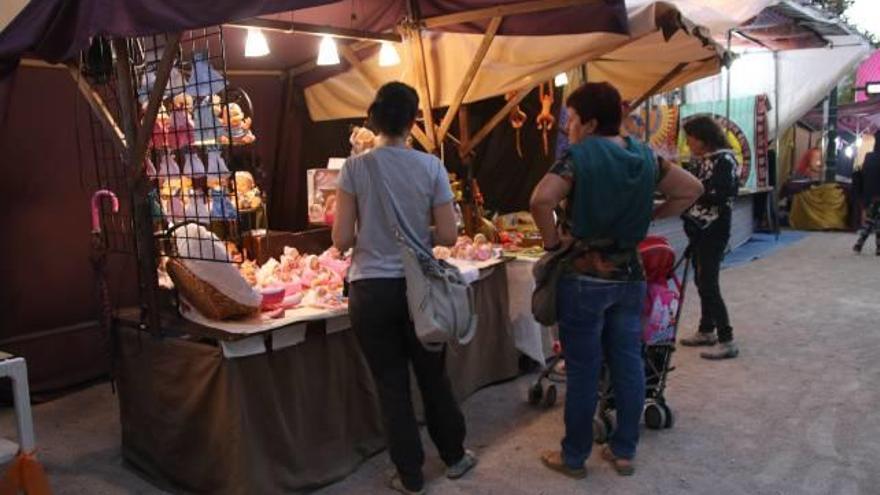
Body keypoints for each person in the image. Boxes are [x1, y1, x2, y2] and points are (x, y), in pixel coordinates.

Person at [530, 82, 703, 479]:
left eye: (570, 119)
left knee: (584, 368)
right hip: (631, 275)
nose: (567, 127)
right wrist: (652, 216)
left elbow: (540, 200)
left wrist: (553, 240)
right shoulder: (644, 155)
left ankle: (573, 457)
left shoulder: (579, 156)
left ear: (588, 123)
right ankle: (624, 452)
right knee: (628, 363)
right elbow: (692, 190)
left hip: (584, 277)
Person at [331, 82, 476, 495]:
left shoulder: (354, 168)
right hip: (420, 291)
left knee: (391, 385)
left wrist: (370, 230)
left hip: (370, 291)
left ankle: (410, 476)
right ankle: (455, 457)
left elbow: (341, 239)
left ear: (374, 117)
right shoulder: (430, 166)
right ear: (413, 120)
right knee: (433, 376)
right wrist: (417, 234)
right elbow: (448, 234)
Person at [679, 116, 741, 359]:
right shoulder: (704, 161)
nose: (688, 144)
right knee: (702, 279)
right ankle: (707, 329)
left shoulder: (724, 160)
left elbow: (723, 193)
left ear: (703, 139)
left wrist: (693, 192)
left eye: (691, 139)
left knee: (708, 282)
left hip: (713, 229)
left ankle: (727, 339)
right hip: (699, 229)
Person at [853, 131, 880, 255]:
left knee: (872, 219)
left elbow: (864, 174)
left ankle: (860, 242)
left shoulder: (869, 156)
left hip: (871, 194)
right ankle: (877, 247)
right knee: (876, 219)